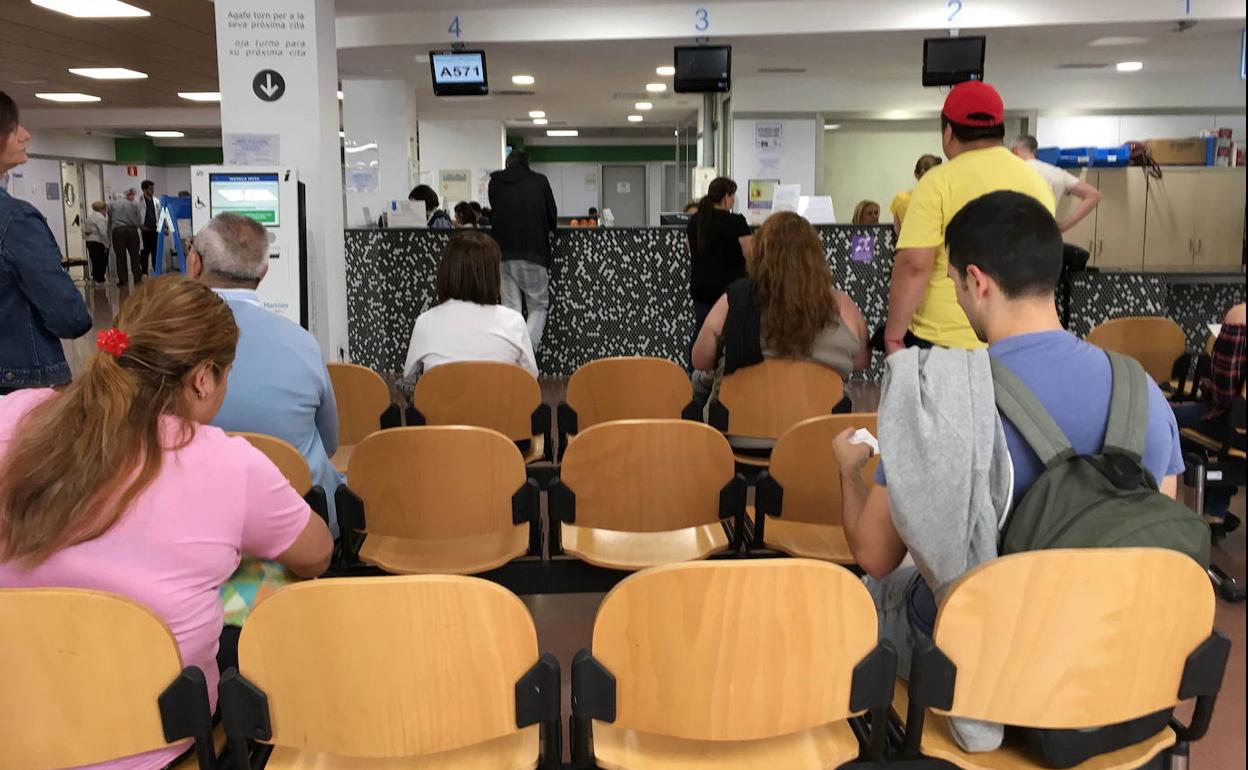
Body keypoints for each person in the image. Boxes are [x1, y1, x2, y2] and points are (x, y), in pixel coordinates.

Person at [832, 191, 1183, 753]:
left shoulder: (943, 398)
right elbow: (1160, 539)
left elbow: (875, 552)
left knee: (872, 589)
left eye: (952, 282)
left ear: (978, 281)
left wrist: (850, 472)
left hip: (994, 664)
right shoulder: (1141, 389)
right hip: (1123, 665)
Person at [0, 275, 333, 770]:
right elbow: (316, 554)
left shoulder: (15, 415)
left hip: (16, 729)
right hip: (157, 744)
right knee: (273, 580)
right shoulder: (228, 464)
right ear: (202, 378)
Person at [187, 212, 344, 536]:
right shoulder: (301, 343)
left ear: (193, 263)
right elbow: (329, 443)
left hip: (195, 524)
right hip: (301, 519)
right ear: (264, 270)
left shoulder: (161, 345)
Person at [882, 81, 1055, 354]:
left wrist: (893, 335)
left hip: (943, 339)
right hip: (1019, 339)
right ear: (1000, 130)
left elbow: (915, 264)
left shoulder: (937, 182)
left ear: (949, 132)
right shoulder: (1035, 182)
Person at [692, 211, 869, 403]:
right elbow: (861, 361)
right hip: (821, 430)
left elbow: (700, 360)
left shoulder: (734, 300)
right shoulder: (843, 306)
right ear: (816, 256)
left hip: (739, 429)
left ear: (759, 253)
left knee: (699, 381)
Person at [0, 91, 92, 395]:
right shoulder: (15, 220)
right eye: (14, 128)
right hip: (18, 388)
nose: (25, 135)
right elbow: (69, 318)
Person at [403, 231, 537, 383]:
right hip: (498, 406)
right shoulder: (514, 322)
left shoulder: (425, 322)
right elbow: (531, 379)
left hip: (441, 406)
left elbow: (409, 379)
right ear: (493, 275)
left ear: (446, 272)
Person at [1172, 302, 1246, 535]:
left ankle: (1202, 510)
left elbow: (1224, 396)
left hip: (1238, 432)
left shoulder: (1240, 317)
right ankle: (1214, 511)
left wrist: (1208, 385)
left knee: (1164, 418)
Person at [488, 150, 558, 351]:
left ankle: (511, 357)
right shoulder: (540, 181)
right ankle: (524, 356)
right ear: (528, 163)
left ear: (507, 163)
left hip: (501, 254)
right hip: (533, 252)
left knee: (511, 310)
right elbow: (552, 217)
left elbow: (494, 212)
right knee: (537, 306)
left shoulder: (495, 182)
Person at [687, 177, 753, 360]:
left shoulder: (695, 221)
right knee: (728, 336)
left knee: (702, 332)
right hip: (728, 291)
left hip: (701, 289)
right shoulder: (736, 222)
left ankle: (695, 374)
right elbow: (751, 253)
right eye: (733, 196)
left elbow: (690, 251)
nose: (733, 201)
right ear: (726, 197)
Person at [1011, 135, 1102, 233]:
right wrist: (1065, 226)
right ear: (1034, 151)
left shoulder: (1010, 171)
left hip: (1014, 236)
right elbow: (1094, 195)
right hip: (1046, 235)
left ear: (1015, 151)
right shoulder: (1056, 172)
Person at [890, 154, 942, 236]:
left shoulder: (900, 199)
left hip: (909, 247)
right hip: (937, 248)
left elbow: (898, 232)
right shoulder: (943, 198)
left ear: (915, 174)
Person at [108, 188, 144, 286]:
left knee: (120, 257)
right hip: (132, 230)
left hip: (118, 231)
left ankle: (123, 280)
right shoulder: (133, 204)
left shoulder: (111, 205)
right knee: (135, 256)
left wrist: (109, 234)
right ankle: (137, 279)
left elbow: (110, 220)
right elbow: (139, 220)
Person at [139, 179, 162, 276]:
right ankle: (144, 272)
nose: (152, 191)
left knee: (155, 252)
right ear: (144, 190)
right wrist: (140, 225)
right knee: (145, 252)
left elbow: (161, 215)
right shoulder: (138, 202)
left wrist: (163, 227)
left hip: (155, 230)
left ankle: (156, 271)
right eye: (150, 189)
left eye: (153, 189)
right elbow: (137, 215)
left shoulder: (156, 201)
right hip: (145, 231)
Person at [84, 200, 110, 282]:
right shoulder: (101, 218)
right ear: (102, 209)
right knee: (101, 261)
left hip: (89, 241)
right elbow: (103, 233)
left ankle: (95, 278)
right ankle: (100, 279)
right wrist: (107, 244)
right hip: (98, 241)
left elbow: (86, 230)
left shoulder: (90, 217)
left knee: (94, 261)